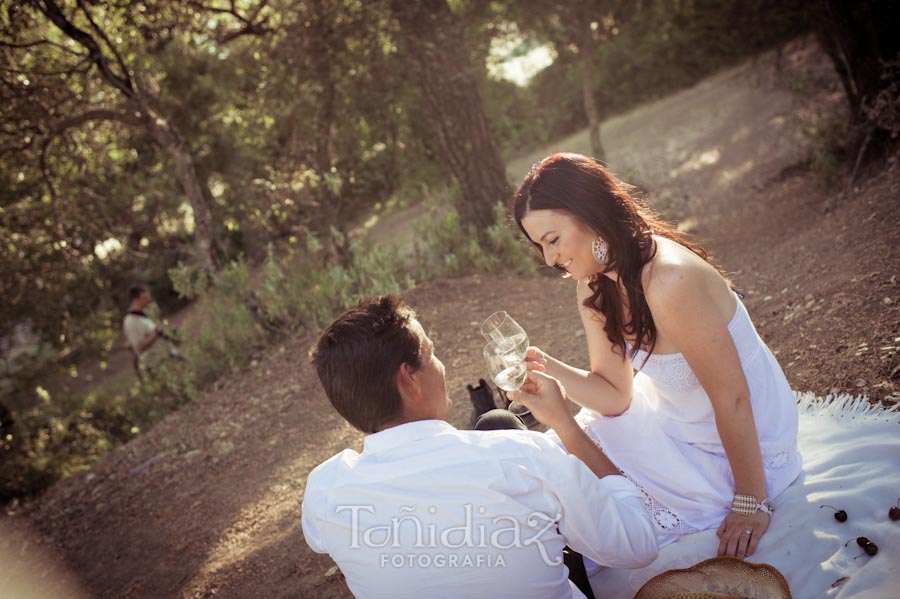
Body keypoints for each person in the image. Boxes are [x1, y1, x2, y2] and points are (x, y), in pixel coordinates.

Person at [512, 153, 802, 560]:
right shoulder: (595, 286)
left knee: (599, 496)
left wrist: (750, 501)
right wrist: (543, 368)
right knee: (561, 464)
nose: (549, 259)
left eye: (552, 240)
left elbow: (733, 397)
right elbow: (615, 396)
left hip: (743, 433)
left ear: (589, 214)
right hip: (678, 419)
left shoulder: (668, 280)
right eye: (540, 247)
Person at [301, 295, 658, 599]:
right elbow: (638, 545)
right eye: (431, 354)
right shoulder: (519, 457)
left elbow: (319, 539)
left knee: (494, 423)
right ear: (409, 381)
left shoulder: (325, 490)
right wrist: (564, 424)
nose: (440, 366)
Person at [123, 285, 181, 374]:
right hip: (159, 366)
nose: (148, 300)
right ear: (135, 300)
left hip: (169, 357)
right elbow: (138, 347)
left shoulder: (144, 315)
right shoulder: (130, 322)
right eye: (145, 298)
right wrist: (156, 332)